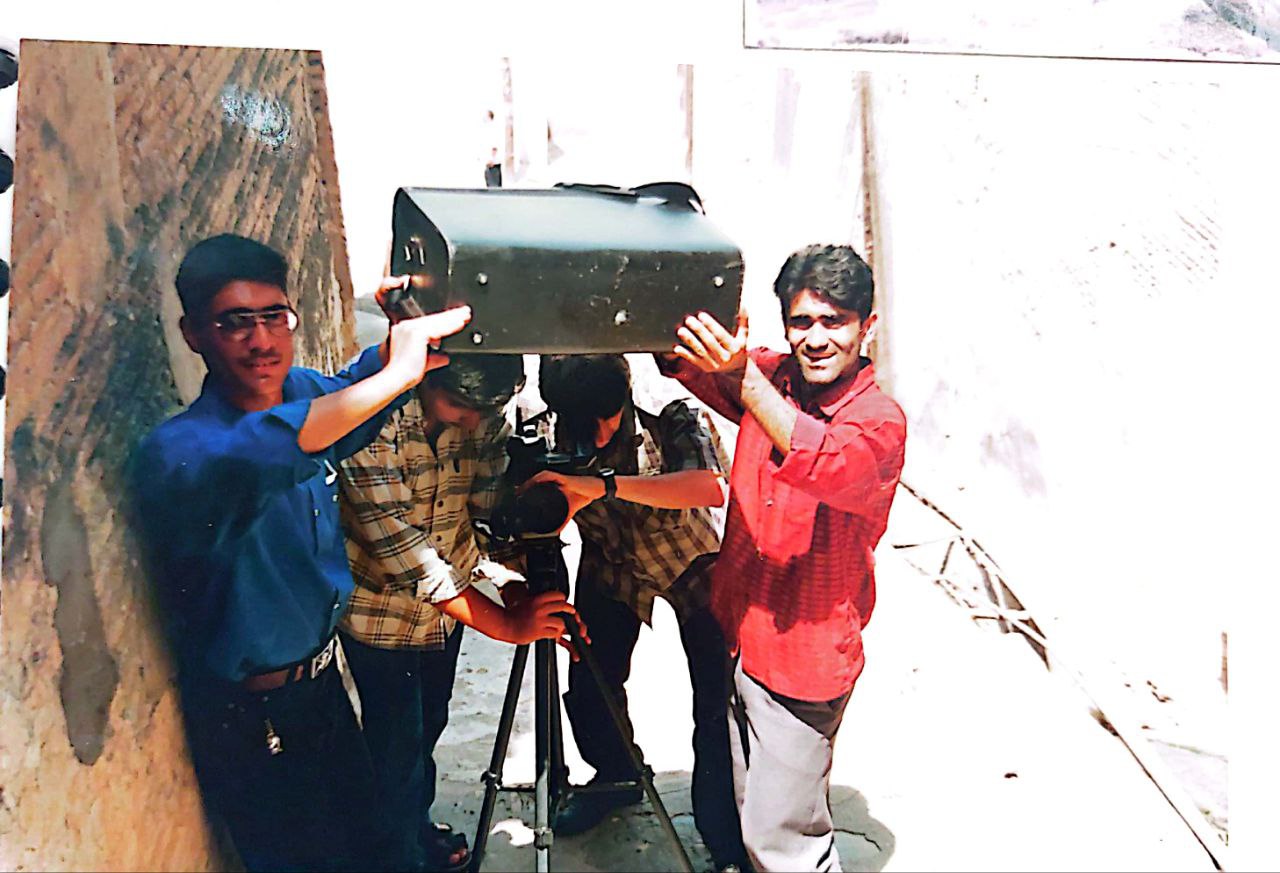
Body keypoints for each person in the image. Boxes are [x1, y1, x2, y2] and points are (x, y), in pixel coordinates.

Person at [129, 233, 469, 872]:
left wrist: (398, 340)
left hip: (321, 691)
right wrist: (398, 373)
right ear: (193, 334)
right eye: (235, 323)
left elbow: (345, 404)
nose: (261, 341)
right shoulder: (182, 454)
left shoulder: (302, 394)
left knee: (378, 850)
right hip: (254, 720)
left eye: (273, 317)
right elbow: (272, 446)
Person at [656, 243, 907, 873]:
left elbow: (823, 459)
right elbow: (687, 361)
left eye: (834, 321)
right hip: (740, 633)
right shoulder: (776, 378)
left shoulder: (879, 421)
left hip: (803, 660)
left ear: (866, 326)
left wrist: (744, 377)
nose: (816, 339)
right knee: (751, 815)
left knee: (784, 842)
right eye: (802, 322)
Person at [337, 341, 586, 873]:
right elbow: (407, 556)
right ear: (428, 376)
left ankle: (412, 830)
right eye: (460, 407)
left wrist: (517, 586)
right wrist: (506, 624)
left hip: (441, 621)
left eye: (484, 412)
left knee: (428, 727)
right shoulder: (370, 420)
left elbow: (485, 509)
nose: (474, 422)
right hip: (379, 617)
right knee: (395, 748)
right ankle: (394, 858)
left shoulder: (482, 417)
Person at [523, 354, 749, 873]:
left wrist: (602, 485)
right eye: (586, 425)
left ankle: (724, 835)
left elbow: (709, 485)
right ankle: (616, 776)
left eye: (609, 419)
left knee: (716, 700)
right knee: (590, 682)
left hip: (694, 557)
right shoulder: (544, 425)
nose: (600, 437)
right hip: (612, 562)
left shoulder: (669, 408)